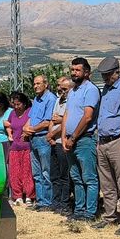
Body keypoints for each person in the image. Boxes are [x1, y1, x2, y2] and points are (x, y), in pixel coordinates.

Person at [93, 56, 120, 229]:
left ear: (117, 72)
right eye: (103, 75)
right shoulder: (106, 90)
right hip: (102, 140)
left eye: (107, 75)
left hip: (117, 140)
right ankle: (110, 216)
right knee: (107, 183)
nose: (105, 78)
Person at [62, 57, 101, 222]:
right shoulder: (72, 91)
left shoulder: (90, 90)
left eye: (77, 70)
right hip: (69, 140)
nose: (74, 73)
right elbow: (66, 114)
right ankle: (79, 209)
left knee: (89, 177)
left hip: (84, 139)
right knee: (76, 177)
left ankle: (90, 212)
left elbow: (87, 117)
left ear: (86, 72)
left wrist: (73, 137)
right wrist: (64, 136)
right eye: (72, 70)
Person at [24, 75, 57, 211]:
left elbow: (46, 122)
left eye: (38, 83)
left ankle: (48, 202)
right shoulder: (36, 100)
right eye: (34, 84)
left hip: (43, 138)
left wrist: (30, 129)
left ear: (46, 84)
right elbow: (30, 118)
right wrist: (25, 128)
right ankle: (40, 201)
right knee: (37, 173)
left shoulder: (50, 99)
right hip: (33, 139)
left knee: (45, 171)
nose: (36, 86)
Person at [48, 76, 75, 215]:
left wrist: (54, 134)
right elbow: (53, 119)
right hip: (54, 142)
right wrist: (49, 135)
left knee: (65, 175)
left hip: (62, 141)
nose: (61, 90)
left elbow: (65, 121)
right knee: (55, 174)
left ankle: (65, 202)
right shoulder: (58, 100)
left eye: (64, 88)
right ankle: (56, 200)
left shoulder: (71, 101)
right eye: (60, 87)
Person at [7, 92, 35, 206]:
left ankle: (29, 195)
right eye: (14, 104)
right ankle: (17, 195)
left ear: (24, 104)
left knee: (27, 172)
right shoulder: (12, 113)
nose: (16, 106)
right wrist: (9, 133)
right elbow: (8, 124)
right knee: (14, 172)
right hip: (14, 146)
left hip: (26, 146)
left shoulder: (29, 112)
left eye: (18, 104)